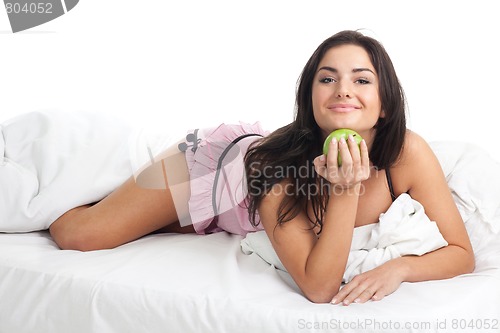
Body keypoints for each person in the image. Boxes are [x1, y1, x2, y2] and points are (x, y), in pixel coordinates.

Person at [10, 30, 475, 305]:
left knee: (164, 229)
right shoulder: (275, 167)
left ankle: (149, 212)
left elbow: (460, 252)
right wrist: (344, 190)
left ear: (385, 105)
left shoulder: (407, 155)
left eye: (362, 79)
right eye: (327, 78)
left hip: (244, 219)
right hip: (214, 172)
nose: (342, 89)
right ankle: (96, 186)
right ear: (311, 99)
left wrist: (402, 270)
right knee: (81, 236)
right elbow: (318, 287)